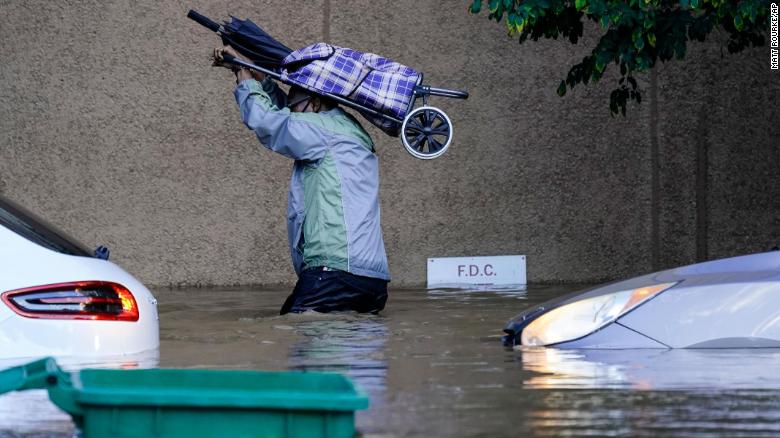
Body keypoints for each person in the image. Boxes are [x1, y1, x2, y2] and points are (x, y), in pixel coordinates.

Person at [213, 46, 390, 315]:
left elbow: (268, 121)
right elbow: (288, 111)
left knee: (305, 344)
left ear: (317, 103)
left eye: (296, 107)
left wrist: (243, 74)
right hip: (372, 280)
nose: (292, 113)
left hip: (334, 272)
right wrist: (261, 78)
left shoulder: (322, 132)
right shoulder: (346, 129)